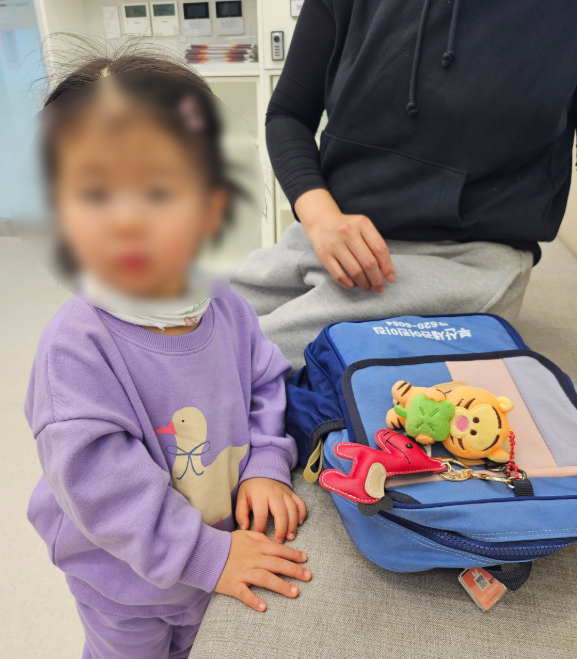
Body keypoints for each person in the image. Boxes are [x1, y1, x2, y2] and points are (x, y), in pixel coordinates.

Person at [24, 51, 311, 659]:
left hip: (215, 555)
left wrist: (266, 464)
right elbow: (105, 489)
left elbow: (266, 383)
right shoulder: (75, 351)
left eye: (157, 191)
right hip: (124, 586)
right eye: (94, 194)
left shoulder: (225, 306)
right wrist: (209, 556)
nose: (125, 220)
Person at [233, 0, 577, 369]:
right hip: (327, 235)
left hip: (464, 263)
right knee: (192, 311)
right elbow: (288, 113)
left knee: (230, 359)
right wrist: (320, 217)